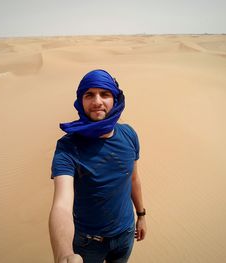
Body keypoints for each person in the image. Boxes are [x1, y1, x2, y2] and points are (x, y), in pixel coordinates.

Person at [49, 69, 147, 263]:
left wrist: (141, 215)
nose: (97, 101)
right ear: (80, 100)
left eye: (105, 94)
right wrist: (64, 254)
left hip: (126, 234)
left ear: (115, 99)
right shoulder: (68, 147)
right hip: (88, 243)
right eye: (89, 94)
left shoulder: (129, 134)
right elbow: (61, 205)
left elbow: (133, 178)